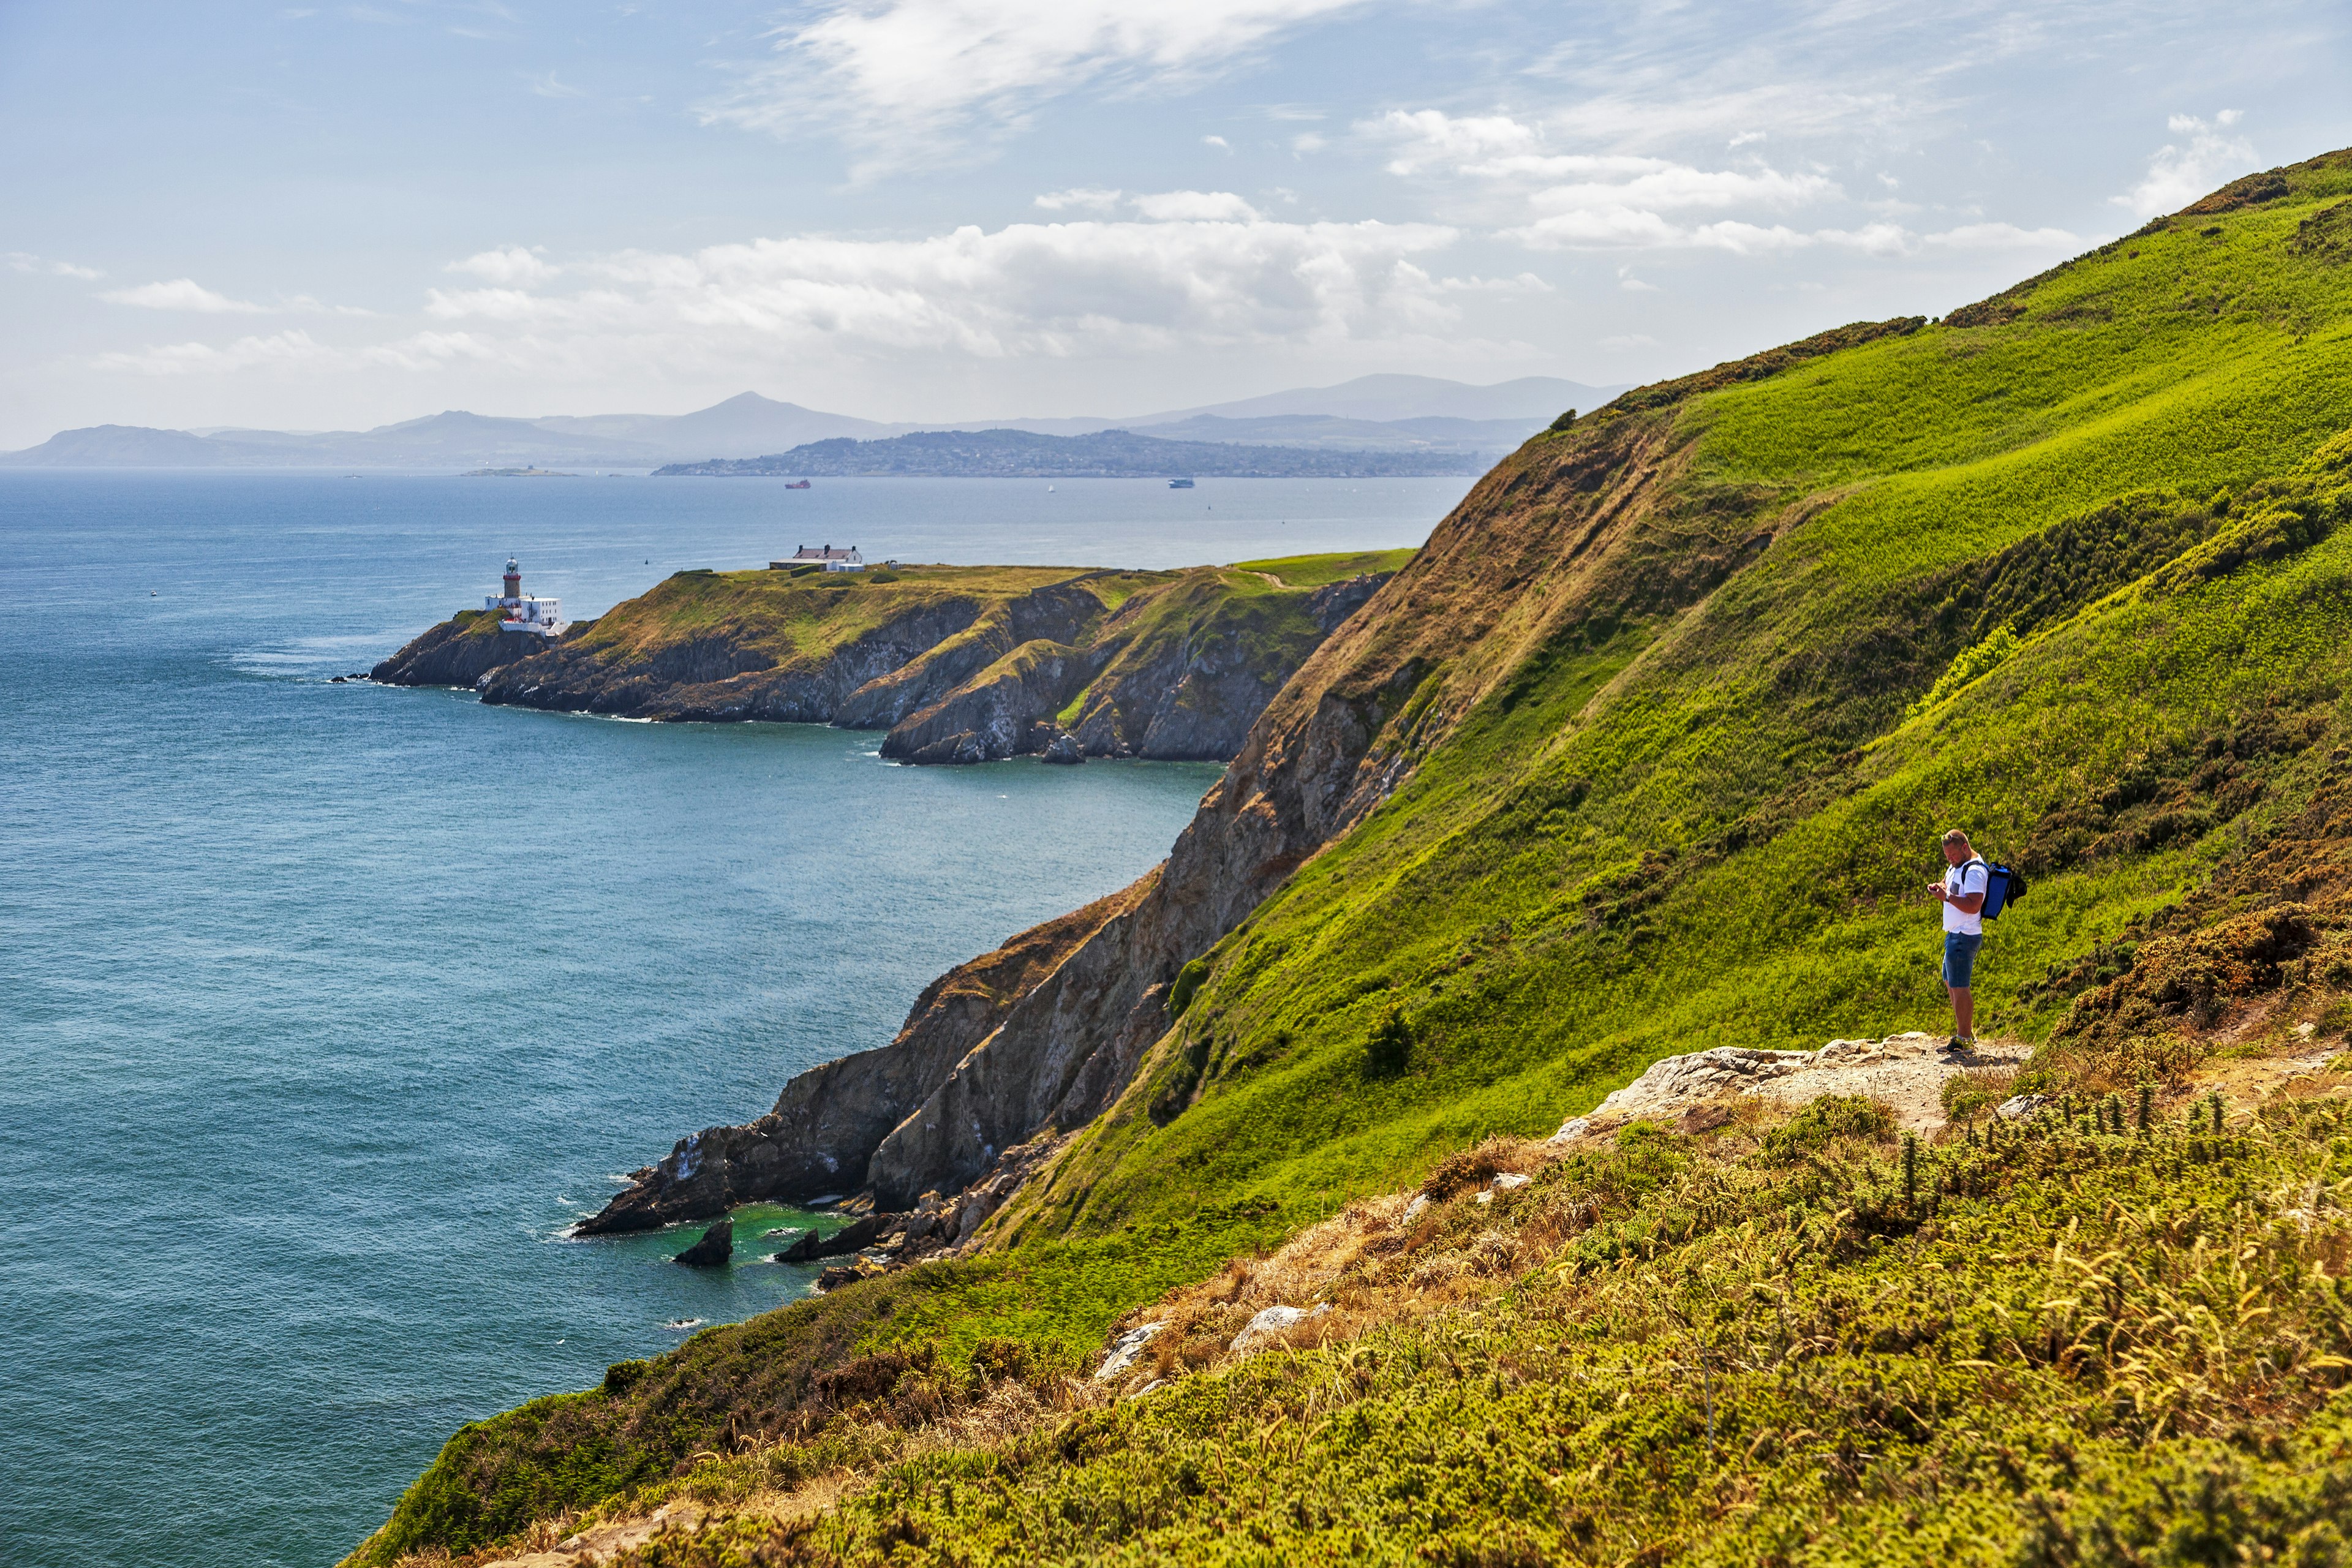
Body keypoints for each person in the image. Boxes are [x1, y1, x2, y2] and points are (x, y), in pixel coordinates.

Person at [1928, 828, 1988, 1045]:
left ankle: (1964, 1037)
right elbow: (1948, 883)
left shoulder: (1974, 871)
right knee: (1950, 980)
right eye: (1947, 856)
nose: (1950, 859)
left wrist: (1947, 897)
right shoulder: (1956, 865)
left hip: (1966, 935)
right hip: (1954, 934)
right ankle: (1964, 1032)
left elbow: (1974, 906)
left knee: (1960, 985)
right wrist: (1940, 888)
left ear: (1965, 847)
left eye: (1952, 855)